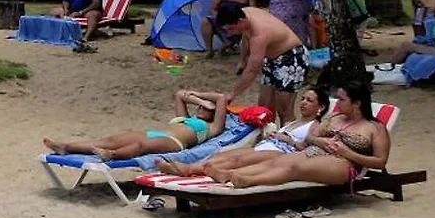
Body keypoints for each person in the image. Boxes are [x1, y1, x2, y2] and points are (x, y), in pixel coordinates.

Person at [160, 78, 388, 189]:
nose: (338, 103)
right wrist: (322, 142)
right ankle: (230, 175)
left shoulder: (375, 129)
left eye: (343, 99)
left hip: (343, 164)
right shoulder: (335, 119)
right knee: (278, 164)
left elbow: (379, 162)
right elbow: (311, 137)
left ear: (357, 103)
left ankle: (245, 180)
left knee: (291, 167)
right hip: (315, 152)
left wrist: (348, 151)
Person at [157, 88, 325, 176]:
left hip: (282, 153)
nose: (303, 102)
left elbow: (308, 149)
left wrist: (288, 140)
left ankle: (188, 170)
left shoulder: (316, 125)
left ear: (321, 107)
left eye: (309, 101)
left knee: (237, 160)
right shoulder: (293, 122)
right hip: (268, 145)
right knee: (222, 156)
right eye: (302, 99)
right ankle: (191, 167)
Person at [43, 90, 232, 161]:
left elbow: (221, 98)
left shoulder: (212, 128)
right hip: (154, 133)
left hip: (173, 141)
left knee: (140, 148)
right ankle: (66, 147)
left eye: (206, 108)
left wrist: (210, 102)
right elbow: (179, 94)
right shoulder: (185, 118)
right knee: (110, 140)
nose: (200, 107)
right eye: (199, 106)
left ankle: (114, 156)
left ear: (214, 113)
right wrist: (198, 98)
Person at [215, 0, 308, 118]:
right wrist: (242, 60)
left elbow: (253, 69)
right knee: (264, 108)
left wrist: (232, 94)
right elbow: (245, 37)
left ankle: (286, 135)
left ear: (240, 21)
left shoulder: (260, 34)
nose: (230, 32)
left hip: (292, 58)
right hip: (271, 59)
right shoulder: (245, 14)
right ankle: (268, 134)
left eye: (231, 28)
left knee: (284, 109)